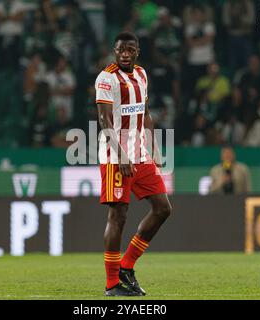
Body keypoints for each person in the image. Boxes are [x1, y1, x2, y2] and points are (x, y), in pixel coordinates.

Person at [95, 32, 172, 296]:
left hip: (140, 155)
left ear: (137, 51)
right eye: (120, 50)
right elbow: (105, 121)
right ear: (114, 51)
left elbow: (145, 113)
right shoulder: (106, 78)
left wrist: (154, 146)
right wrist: (121, 156)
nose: (125, 54)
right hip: (115, 156)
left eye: (130, 50)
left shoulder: (141, 74)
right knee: (118, 215)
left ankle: (127, 266)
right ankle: (112, 283)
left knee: (163, 208)